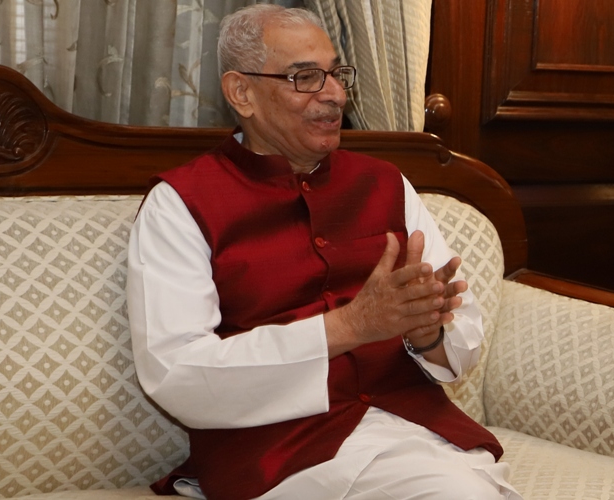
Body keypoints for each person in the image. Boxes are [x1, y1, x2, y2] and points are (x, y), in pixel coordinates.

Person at [125, 5, 518, 499]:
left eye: (336, 73)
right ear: (241, 92)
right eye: (305, 77)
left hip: (417, 430)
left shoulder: (385, 183)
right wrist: (350, 327)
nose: (334, 93)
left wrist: (427, 331)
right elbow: (177, 375)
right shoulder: (180, 203)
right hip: (282, 454)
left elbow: (461, 337)